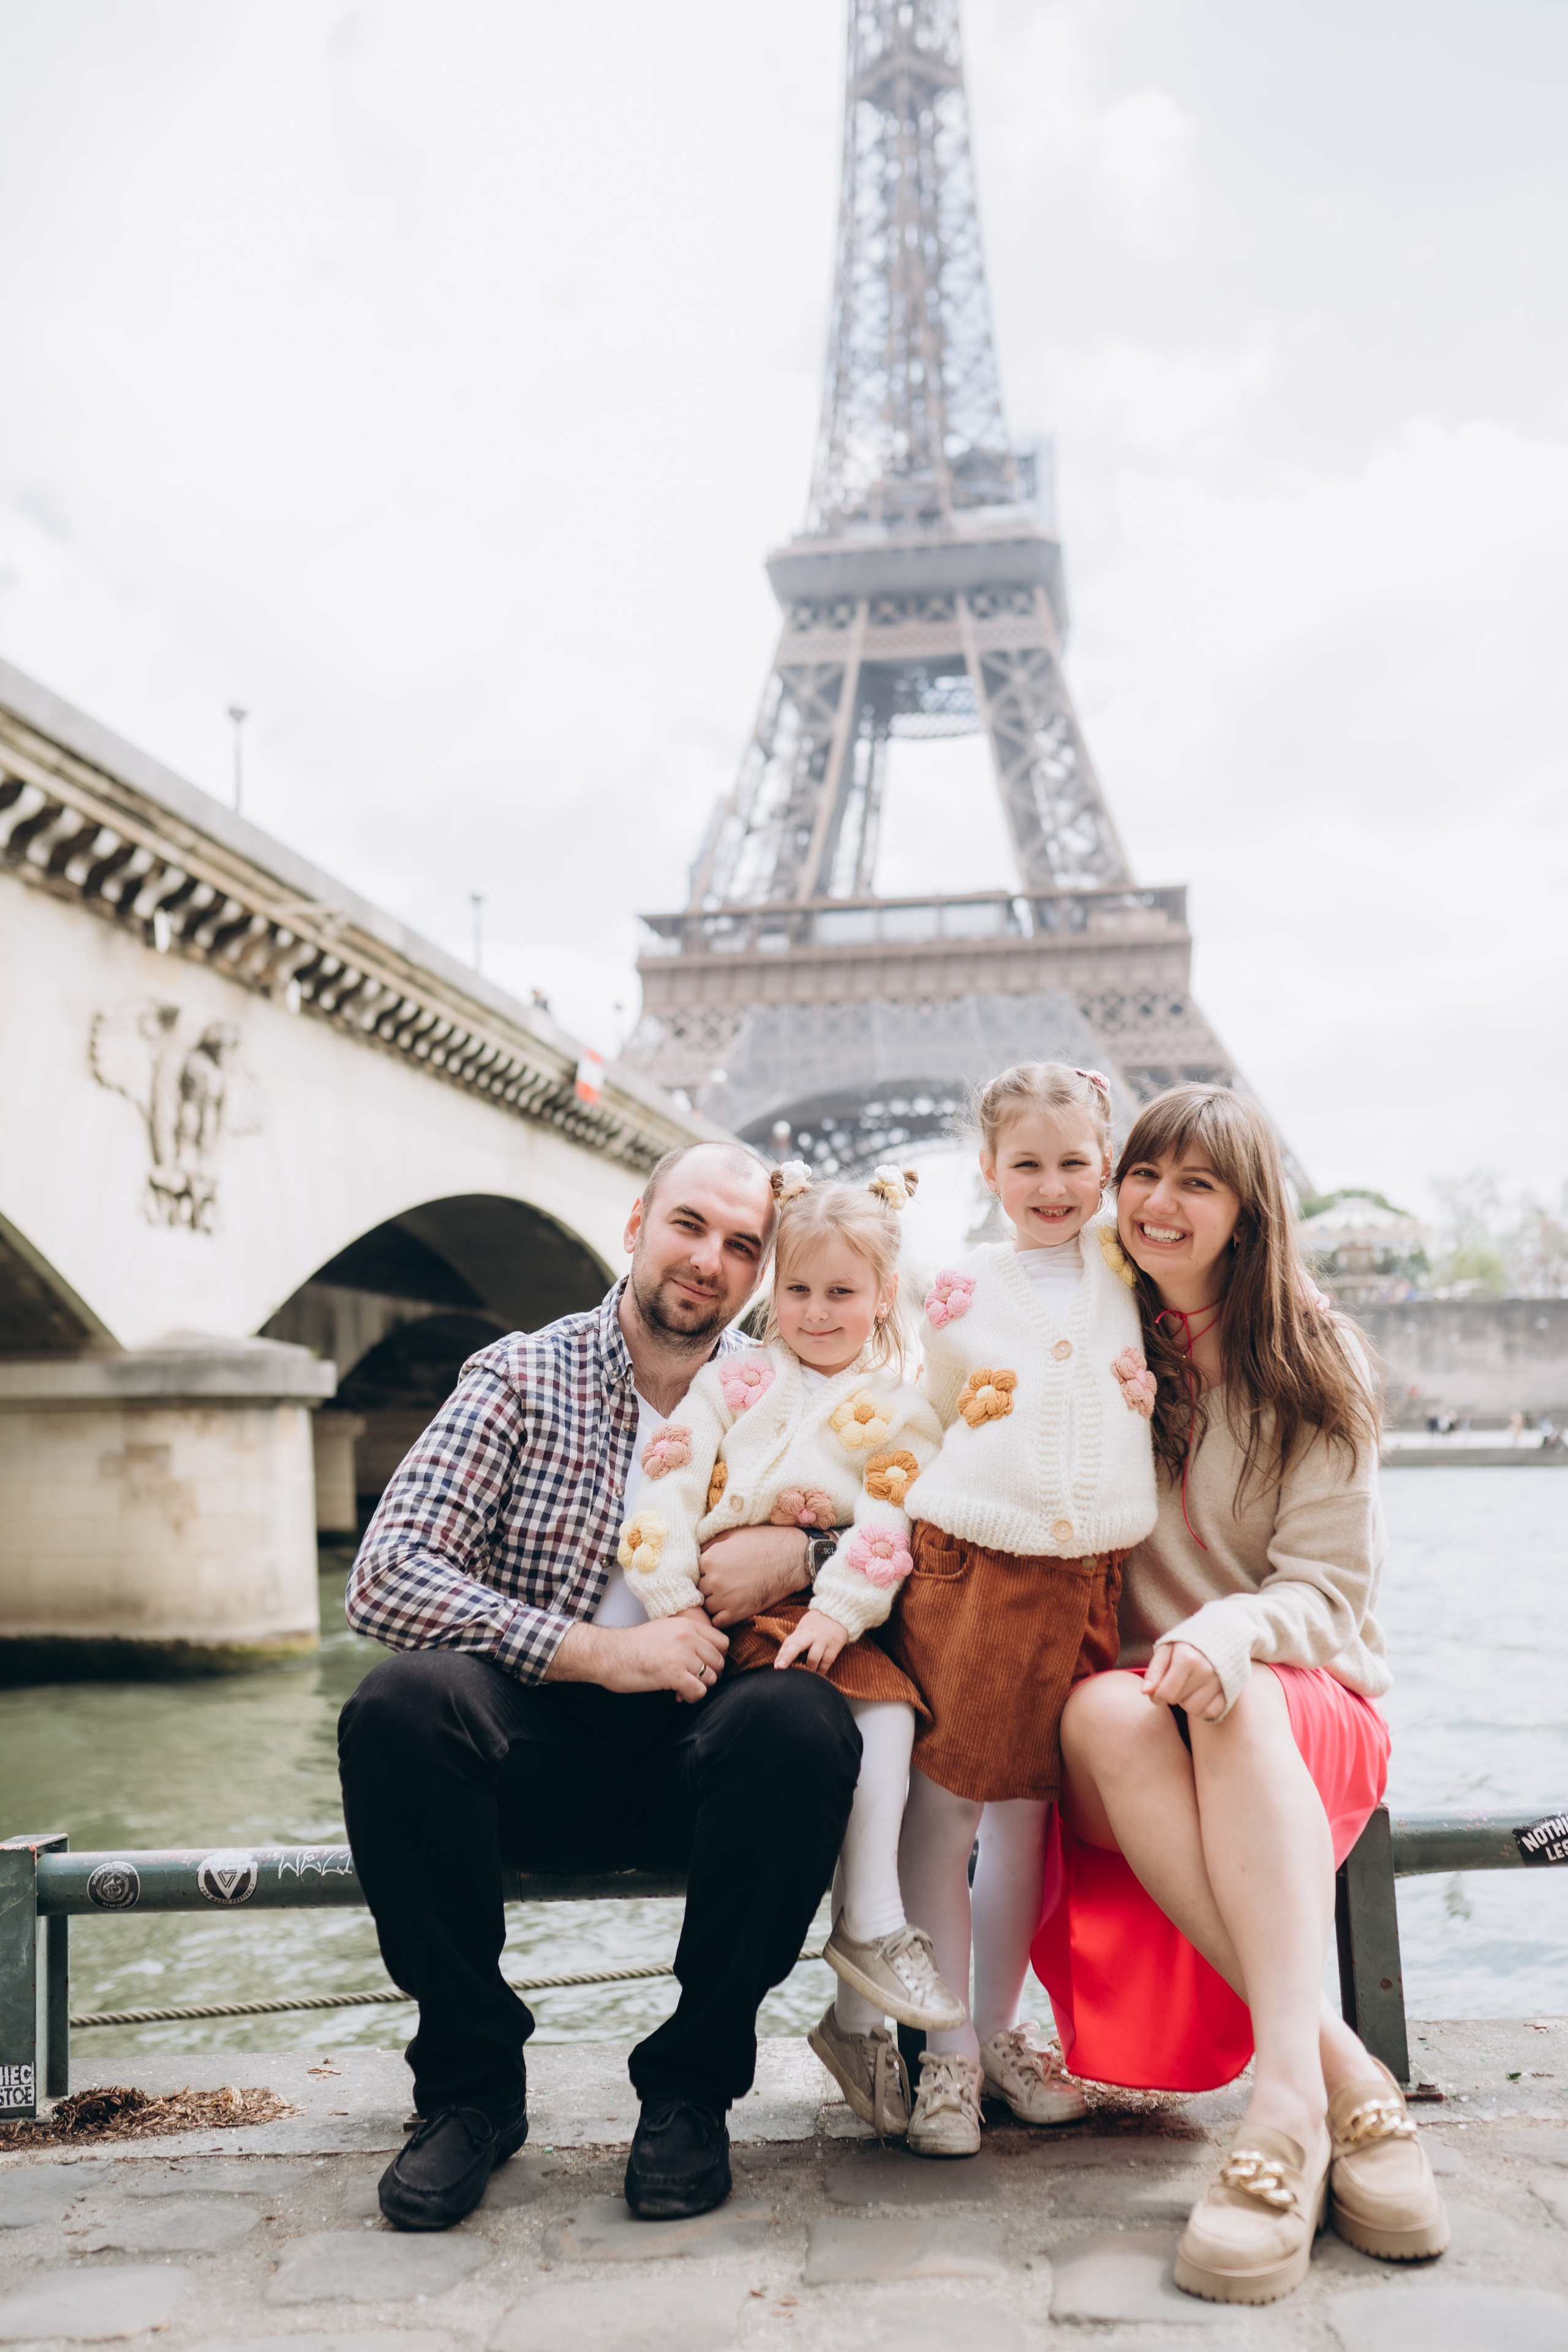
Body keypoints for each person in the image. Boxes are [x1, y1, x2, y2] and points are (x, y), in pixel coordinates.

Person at [338, 1141, 862, 2233]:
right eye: (688, 1226)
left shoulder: (807, 1392)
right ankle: (470, 2089)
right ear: (636, 1225)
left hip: (712, 1754)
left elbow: (915, 1540)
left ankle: (692, 2089)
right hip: (531, 1746)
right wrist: (598, 1652)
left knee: (802, 1724)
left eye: (741, 1245)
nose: (709, 1260)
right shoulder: (521, 1376)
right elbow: (385, 1577)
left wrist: (805, 1557)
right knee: (400, 1706)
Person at [1034, 1084, 1449, 2305]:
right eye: (1143, 1173)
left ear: (1247, 1213)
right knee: (1098, 1708)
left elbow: (1328, 1591)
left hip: (1299, 1702)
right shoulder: (1084, 1333)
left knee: (1239, 1692)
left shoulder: (1314, 1356)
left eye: (1197, 1183)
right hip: (1143, 1722)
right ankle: (1345, 2077)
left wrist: (1229, 1632)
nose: (1158, 1203)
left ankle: (1283, 2110)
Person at [616, 1159, 960, 2139]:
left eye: (841, 1294)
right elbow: (667, 1481)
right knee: (855, 1726)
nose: (815, 1313)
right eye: (798, 1289)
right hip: (722, 1616)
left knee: (886, 1720)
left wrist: (839, 1608)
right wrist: (671, 1597)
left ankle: (870, 1933)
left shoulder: (904, 1403)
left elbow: (888, 1516)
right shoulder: (732, 1382)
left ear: (884, 1296)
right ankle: (868, 1945)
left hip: (833, 1612)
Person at [888, 1063, 1159, 2157]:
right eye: (1028, 1165)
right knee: (947, 1810)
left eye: (1074, 1163)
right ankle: (946, 2055)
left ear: (1108, 1166)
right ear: (989, 1170)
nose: (1053, 1186)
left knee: (1029, 1822)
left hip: (1090, 1577)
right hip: (977, 1570)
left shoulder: (1130, 1269)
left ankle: (996, 2033)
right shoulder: (961, 1286)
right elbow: (924, 1415)